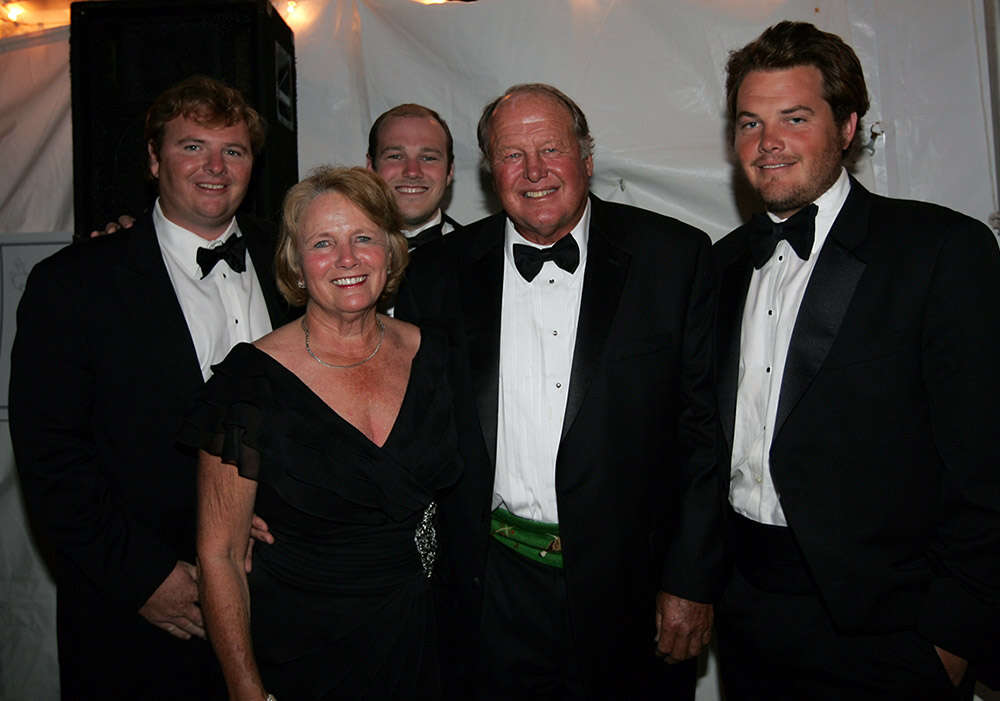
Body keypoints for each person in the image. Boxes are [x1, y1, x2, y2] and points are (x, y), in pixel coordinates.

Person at [395, 83, 725, 699]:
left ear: (587, 157)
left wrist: (691, 580)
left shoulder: (673, 259)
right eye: (513, 155)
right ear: (491, 173)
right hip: (490, 590)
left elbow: (703, 435)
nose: (535, 171)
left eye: (551, 148)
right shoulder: (436, 275)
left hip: (636, 590)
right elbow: (406, 427)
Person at [712, 21, 1000, 700]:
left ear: (847, 127)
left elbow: (987, 463)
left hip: (890, 634)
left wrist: (951, 638)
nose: (768, 141)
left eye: (795, 117)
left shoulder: (939, 251)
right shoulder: (720, 265)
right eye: (750, 122)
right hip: (748, 616)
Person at [9, 75, 292, 698]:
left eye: (234, 151)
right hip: (146, 613)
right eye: (193, 147)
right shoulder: (74, 284)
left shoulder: (296, 263)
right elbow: (51, 457)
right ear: (153, 158)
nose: (215, 167)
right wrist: (146, 580)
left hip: (284, 603)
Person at [186, 166, 461, 700]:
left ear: (390, 247)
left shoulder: (437, 355)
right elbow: (219, 555)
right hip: (306, 654)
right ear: (294, 261)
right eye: (322, 243)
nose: (347, 260)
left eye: (363, 238)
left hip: (435, 640)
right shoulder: (250, 382)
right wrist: (247, 692)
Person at [367, 103, 461, 250]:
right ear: (370, 168)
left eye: (428, 158)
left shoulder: (485, 261)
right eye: (396, 156)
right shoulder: (335, 256)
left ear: (450, 171)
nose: (412, 172)